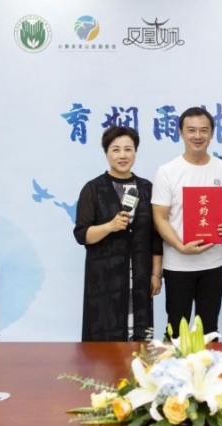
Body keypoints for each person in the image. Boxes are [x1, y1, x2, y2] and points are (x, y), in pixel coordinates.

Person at [152, 107, 222, 339]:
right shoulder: (167, 171)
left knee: (209, 330)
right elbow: (159, 217)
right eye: (191, 130)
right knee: (176, 330)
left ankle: (210, 365)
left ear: (212, 133)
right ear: (181, 132)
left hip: (214, 263)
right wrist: (180, 247)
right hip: (178, 264)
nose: (197, 136)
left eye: (203, 130)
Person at [74, 126, 163, 341]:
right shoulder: (93, 189)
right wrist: (109, 226)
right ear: (106, 153)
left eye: (128, 149)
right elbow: (82, 235)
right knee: (104, 340)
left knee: (140, 339)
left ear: (135, 152)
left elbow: (155, 237)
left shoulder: (147, 188)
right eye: (116, 150)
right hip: (104, 279)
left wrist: (156, 274)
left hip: (140, 277)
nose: (122, 155)